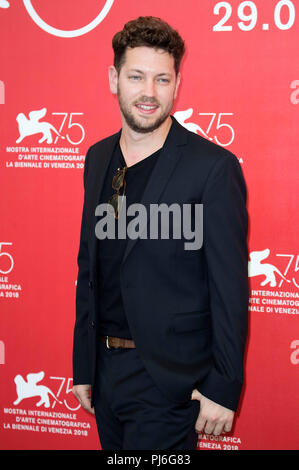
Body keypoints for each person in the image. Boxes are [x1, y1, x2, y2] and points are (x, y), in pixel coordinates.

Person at [72, 16, 249, 450]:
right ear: (114, 79)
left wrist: (224, 385)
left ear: (177, 83)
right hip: (105, 374)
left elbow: (229, 288)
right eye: (136, 77)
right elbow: (89, 266)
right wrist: (83, 364)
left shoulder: (211, 168)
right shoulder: (98, 158)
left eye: (161, 79)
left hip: (169, 381)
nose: (149, 93)